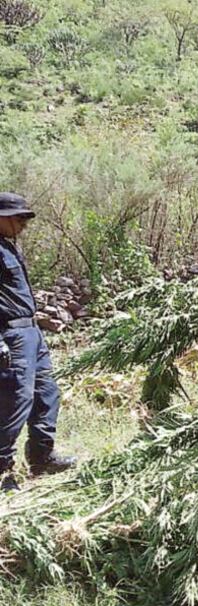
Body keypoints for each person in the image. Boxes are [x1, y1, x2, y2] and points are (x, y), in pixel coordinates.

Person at [0, 192, 76, 492]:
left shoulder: (8, 247)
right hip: (11, 336)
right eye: (18, 218)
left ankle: (42, 458)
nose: (23, 224)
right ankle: (2, 469)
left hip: (31, 333)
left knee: (46, 393)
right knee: (16, 400)